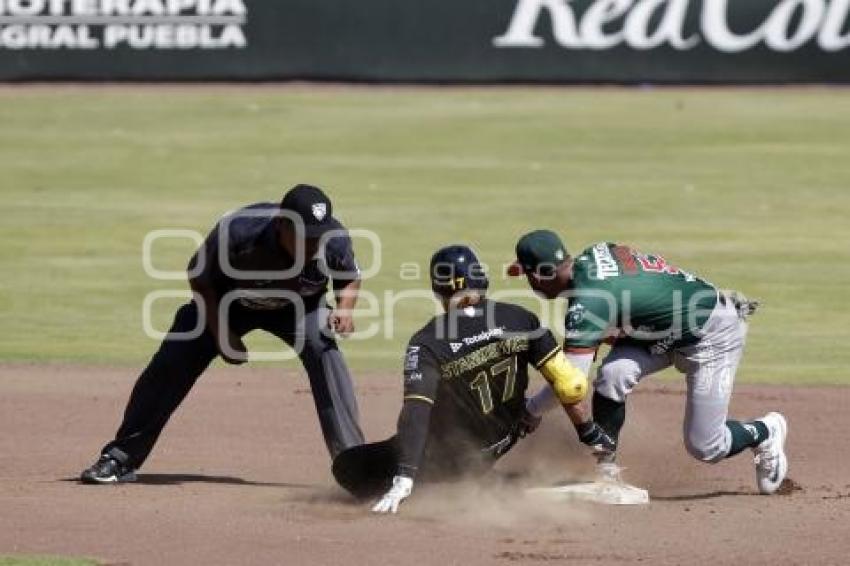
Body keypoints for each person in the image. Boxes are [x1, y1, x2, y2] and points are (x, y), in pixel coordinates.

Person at [81, 184, 365, 484]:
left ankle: (357, 469)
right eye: (306, 237)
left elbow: (349, 278)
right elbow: (199, 277)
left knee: (326, 355)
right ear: (282, 224)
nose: (313, 244)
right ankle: (120, 458)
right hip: (226, 303)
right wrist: (221, 333)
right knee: (171, 363)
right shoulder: (240, 230)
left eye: (318, 236)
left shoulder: (334, 241)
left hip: (299, 308)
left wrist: (345, 309)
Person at [331, 244, 616, 514]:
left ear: (438, 290)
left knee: (347, 466)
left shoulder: (428, 342)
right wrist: (588, 432)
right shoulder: (521, 318)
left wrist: (405, 474)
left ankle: (429, 487)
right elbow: (570, 384)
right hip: (505, 439)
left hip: (449, 459)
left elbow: (415, 413)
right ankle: (482, 478)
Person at [509, 230, 788, 494]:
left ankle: (765, 431)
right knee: (614, 374)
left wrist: (531, 410)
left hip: (712, 335)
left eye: (527, 276)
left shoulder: (588, 302)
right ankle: (606, 473)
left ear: (538, 275)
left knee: (706, 445)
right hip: (665, 332)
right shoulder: (594, 254)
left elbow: (572, 383)